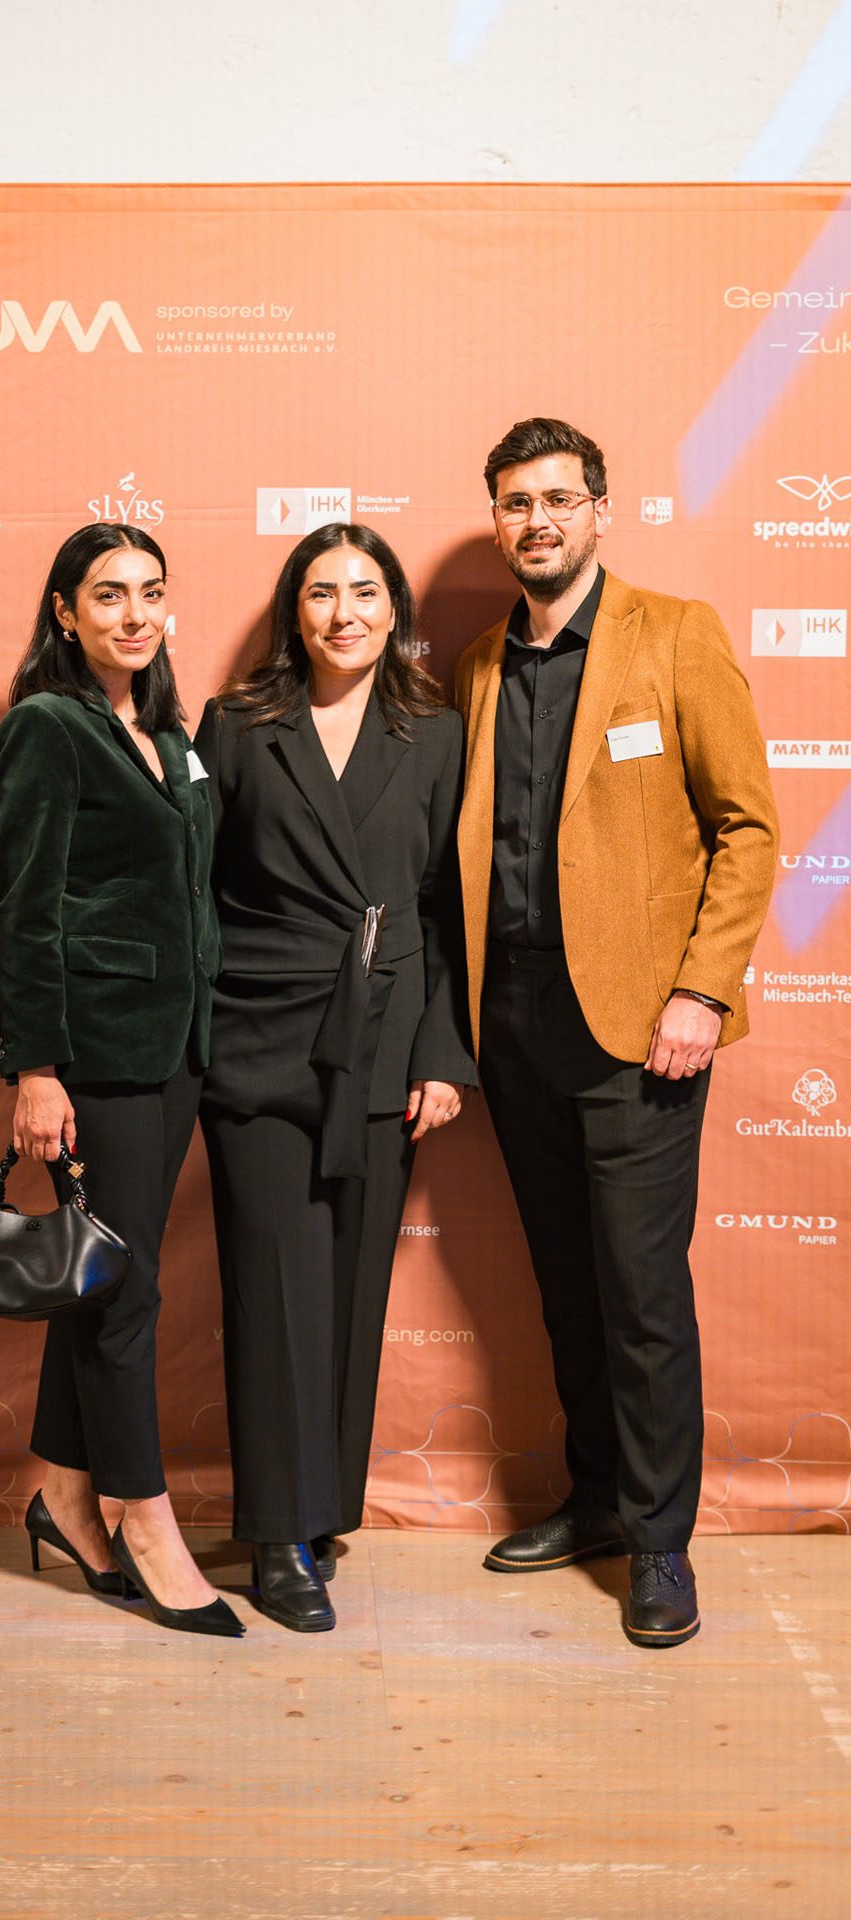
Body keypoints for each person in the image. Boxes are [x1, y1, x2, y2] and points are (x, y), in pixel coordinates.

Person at [453, 417, 779, 1649]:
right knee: (566, 1286)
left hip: (642, 1028)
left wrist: (700, 991)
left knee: (640, 1294)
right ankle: (594, 1500)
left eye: (556, 498)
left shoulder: (674, 633)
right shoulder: (477, 665)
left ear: (600, 509)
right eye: (514, 502)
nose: (535, 520)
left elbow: (746, 827)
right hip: (513, 1021)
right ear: (496, 521)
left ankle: (656, 1543)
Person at [195, 522, 475, 1633]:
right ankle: (275, 1536)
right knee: (275, 1289)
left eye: (364, 591)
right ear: (292, 611)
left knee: (352, 1297)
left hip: (386, 1041)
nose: (343, 613)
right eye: (321, 593)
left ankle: (319, 1512)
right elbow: (196, 890)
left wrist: (441, 1055)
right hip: (258, 1035)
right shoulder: (235, 725)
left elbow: (447, 908)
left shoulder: (437, 733)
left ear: (393, 609)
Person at [0, 522, 243, 1639]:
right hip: (96, 1054)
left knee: (98, 1277)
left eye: (150, 592)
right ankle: (143, 1519)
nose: (134, 614)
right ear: (64, 611)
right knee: (125, 1292)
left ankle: (59, 1494)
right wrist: (36, 1069)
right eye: (107, 594)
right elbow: (24, 911)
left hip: (176, 1049)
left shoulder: (167, 731)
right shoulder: (47, 727)